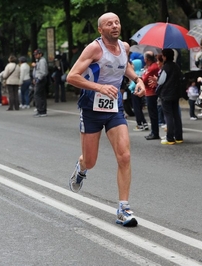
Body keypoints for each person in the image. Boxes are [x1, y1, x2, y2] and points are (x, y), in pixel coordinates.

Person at [66, 12, 145, 227]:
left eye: (117, 22)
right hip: (91, 107)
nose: (114, 26)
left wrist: (138, 79)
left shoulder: (125, 47)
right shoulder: (94, 48)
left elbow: (125, 65)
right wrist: (99, 87)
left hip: (114, 108)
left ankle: (123, 208)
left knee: (125, 156)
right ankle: (81, 168)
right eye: (109, 24)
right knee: (91, 160)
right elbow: (72, 76)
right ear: (100, 30)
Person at [154, 48, 184, 145]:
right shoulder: (176, 66)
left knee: (168, 116)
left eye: (162, 55)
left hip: (166, 94)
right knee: (176, 115)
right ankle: (179, 137)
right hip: (176, 93)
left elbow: (161, 81)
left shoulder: (166, 67)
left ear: (165, 56)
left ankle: (170, 138)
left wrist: (156, 80)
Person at [142, 51, 160, 140]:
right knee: (153, 113)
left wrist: (144, 73)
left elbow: (144, 79)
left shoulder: (152, 67)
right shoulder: (151, 66)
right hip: (150, 91)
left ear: (146, 59)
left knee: (152, 113)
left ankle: (155, 132)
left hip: (151, 92)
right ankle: (154, 132)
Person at [129, 58, 149, 131]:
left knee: (136, 109)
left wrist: (129, 87)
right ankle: (144, 123)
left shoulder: (135, 74)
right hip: (142, 93)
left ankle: (139, 124)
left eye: (133, 64)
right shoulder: (142, 72)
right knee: (140, 109)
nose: (132, 66)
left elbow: (133, 85)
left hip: (135, 93)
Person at [32, 49, 48, 117]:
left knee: (37, 95)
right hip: (40, 79)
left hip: (40, 79)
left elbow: (42, 71)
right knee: (41, 95)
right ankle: (42, 110)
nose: (35, 56)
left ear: (40, 54)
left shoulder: (42, 61)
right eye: (34, 55)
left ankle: (40, 110)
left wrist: (38, 78)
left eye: (36, 54)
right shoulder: (39, 61)